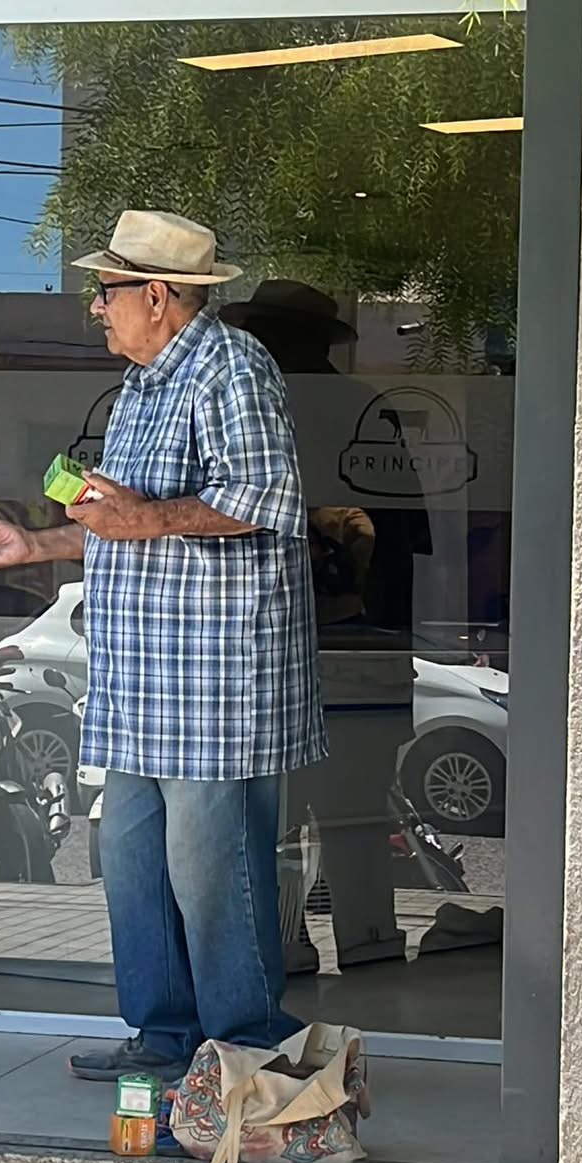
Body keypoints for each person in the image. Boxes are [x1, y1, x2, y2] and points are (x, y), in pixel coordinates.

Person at [0, 211, 326, 1084]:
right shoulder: (145, 384)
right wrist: (34, 544)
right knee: (132, 859)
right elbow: (122, 524)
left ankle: (245, 1046)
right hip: (144, 668)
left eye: (105, 292)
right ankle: (162, 1035)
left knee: (210, 865)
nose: (96, 309)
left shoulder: (231, 367)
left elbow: (262, 498)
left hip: (213, 670)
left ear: (157, 296)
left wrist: (141, 517)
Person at [221, 279, 433, 968]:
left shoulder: (255, 410)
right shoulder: (362, 408)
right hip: (367, 641)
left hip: (282, 643)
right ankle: (368, 938)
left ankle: (282, 945)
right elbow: (409, 541)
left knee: (276, 811)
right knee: (358, 813)